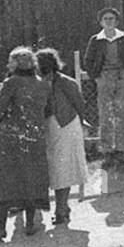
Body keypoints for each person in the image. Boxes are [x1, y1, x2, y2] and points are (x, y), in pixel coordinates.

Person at [0, 47, 51, 239]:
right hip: (34, 138)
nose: (8, 65)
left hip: (10, 139)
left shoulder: (11, 82)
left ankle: (1, 228)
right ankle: (30, 225)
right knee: (30, 180)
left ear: (16, 63)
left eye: (10, 61)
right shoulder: (42, 83)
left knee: (5, 182)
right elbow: (48, 110)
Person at [36, 48, 87, 225]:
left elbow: (79, 104)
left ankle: (61, 208)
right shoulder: (37, 83)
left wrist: (83, 121)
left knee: (63, 169)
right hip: (49, 127)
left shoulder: (66, 82)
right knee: (54, 169)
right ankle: (61, 208)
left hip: (66, 125)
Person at [83, 8, 124, 169]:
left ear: (117, 21)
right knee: (106, 114)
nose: (109, 21)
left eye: (112, 18)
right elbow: (88, 61)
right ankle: (107, 151)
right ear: (100, 22)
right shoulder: (96, 40)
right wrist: (97, 77)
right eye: (105, 19)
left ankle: (121, 150)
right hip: (105, 78)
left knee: (122, 113)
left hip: (122, 78)